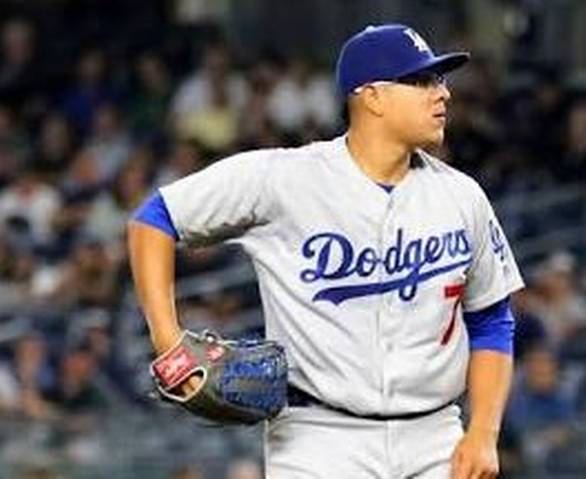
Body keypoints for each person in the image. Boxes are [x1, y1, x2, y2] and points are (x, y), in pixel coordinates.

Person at [127, 23, 523, 478]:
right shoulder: (286, 179)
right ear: (371, 96)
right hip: (318, 438)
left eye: (440, 80)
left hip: (435, 437)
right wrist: (167, 338)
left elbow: (492, 319)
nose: (443, 94)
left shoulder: (463, 196)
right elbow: (155, 217)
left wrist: (484, 432)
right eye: (421, 81)